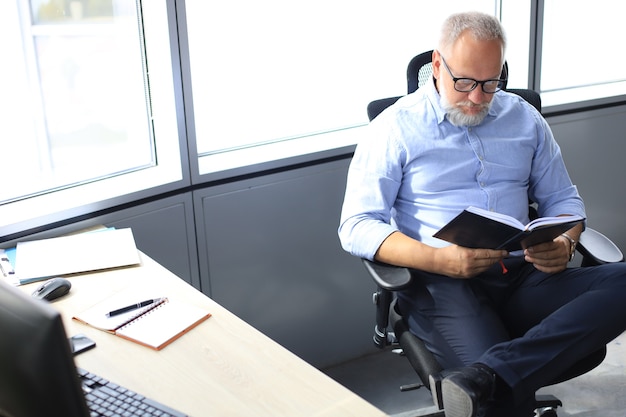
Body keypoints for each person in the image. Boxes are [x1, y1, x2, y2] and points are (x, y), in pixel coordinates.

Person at [338, 11, 626, 417]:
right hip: (443, 285)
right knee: (503, 402)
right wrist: (440, 259)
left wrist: (565, 241)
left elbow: (565, 201)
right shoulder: (393, 129)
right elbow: (356, 226)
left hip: (522, 275)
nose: (477, 98)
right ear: (437, 65)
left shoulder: (523, 118)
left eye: (490, 84)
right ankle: (499, 377)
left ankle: (492, 374)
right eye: (465, 83)